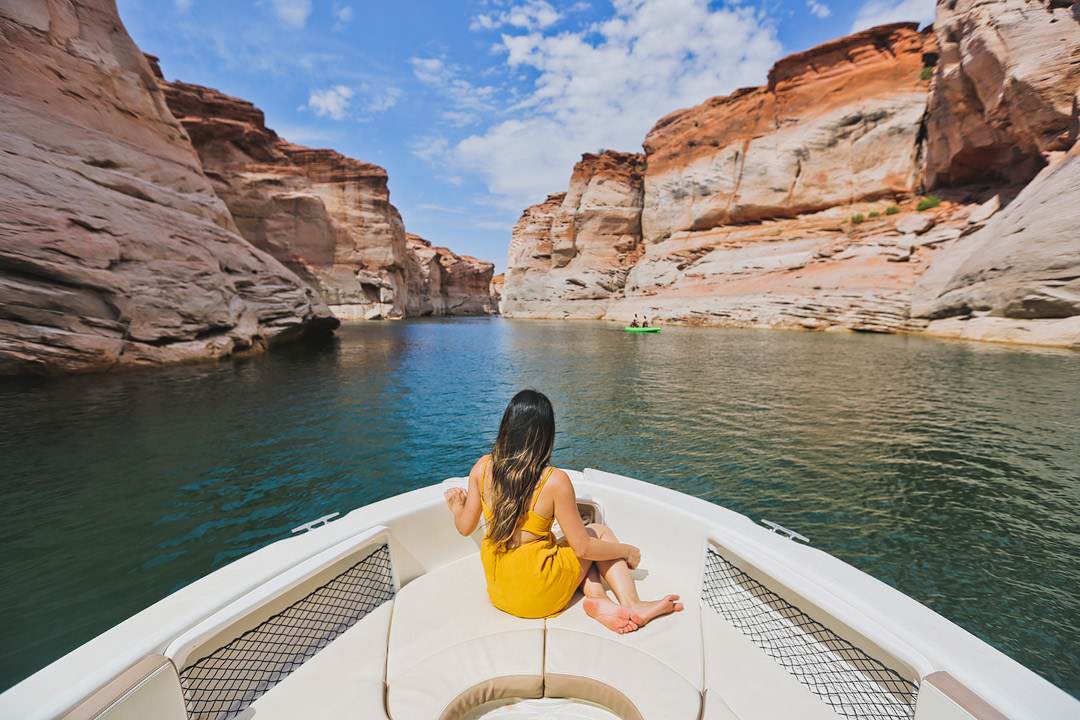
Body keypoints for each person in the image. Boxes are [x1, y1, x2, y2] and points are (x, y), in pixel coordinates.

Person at [444, 389, 682, 633]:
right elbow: (584, 548)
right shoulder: (554, 481)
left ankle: (599, 599)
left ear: (507, 426)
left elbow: (464, 528)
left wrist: (457, 506)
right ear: (546, 433)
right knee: (597, 533)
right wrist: (626, 551)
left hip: (500, 589)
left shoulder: (482, 468)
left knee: (566, 547)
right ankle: (633, 603)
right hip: (537, 593)